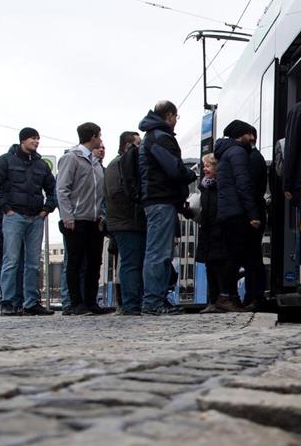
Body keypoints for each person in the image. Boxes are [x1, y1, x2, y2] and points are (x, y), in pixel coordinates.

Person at [0, 128, 57, 316]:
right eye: (33, 138)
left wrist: (46, 210)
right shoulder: (4, 161)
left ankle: (31, 302)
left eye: (38, 138)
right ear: (23, 140)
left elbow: (53, 189)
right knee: (11, 261)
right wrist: (6, 209)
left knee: (33, 263)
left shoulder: (41, 165)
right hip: (14, 216)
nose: (37, 141)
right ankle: (8, 302)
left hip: (35, 218)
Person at [138, 101, 197, 315]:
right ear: (170, 115)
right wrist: (190, 174)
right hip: (160, 199)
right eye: (176, 117)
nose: (175, 121)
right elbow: (173, 169)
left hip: (159, 199)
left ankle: (158, 299)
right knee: (158, 253)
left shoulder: (152, 136)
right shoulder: (160, 137)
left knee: (160, 252)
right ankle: (153, 302)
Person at [57, 122, 109, 316]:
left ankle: (90, 301)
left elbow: (101, 192)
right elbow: (62, 188)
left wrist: (102, 214)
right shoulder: (72, 158)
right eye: (100, 135)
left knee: (94, 262)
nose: (101, 139)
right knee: (76, 262)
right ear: (93, 136)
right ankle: (75, 303)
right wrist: (67, 215)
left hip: (95, 220)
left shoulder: (95, 163)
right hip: (76, 219)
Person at [213, 120, 260, 312]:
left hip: (227, 212)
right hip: (237, 212)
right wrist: (253, 214)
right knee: (235, 256)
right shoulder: (239, 152)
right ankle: (225, 296)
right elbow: (243, 185)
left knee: (233, 254)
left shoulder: (225, 153)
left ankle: (232, 297)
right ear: (242, 135)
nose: (252, 138)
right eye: (250, 134)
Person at [104, 131, 145, 316]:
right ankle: (131, 304)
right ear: (127, 145)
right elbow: (117, 194)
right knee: (131, 263)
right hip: (125, 222)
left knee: (133, 262)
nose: (140, 147)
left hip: (127, 221)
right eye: (137, 144)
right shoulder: (118, 164)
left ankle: (134, 302)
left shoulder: (121, 163)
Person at [194, 153, 233, 313]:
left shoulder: (221, 186)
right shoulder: (205, 187)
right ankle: (212, 300)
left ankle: (221, 299)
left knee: (219, 267)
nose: (205, 169)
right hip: (208, 231)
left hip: (219, 231)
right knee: (210, 267)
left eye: (208, 166)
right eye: (204, 166)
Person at [243, 127, 268, 307]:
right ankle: (253, 294)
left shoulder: (253, 159)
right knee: (252, 255)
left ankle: (255, 295)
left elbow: (250, 188)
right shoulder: (254, 158)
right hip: (256, 211)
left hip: (254, 212)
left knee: (252, 256)